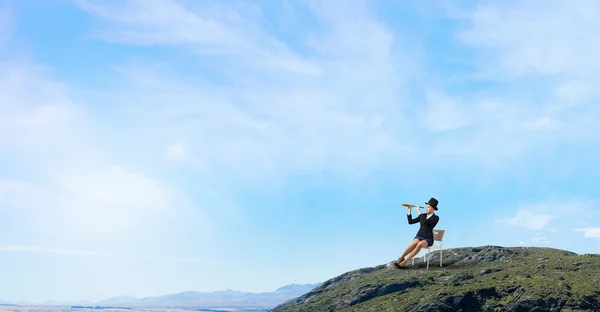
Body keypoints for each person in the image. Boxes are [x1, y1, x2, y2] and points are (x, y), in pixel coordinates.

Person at [395, 197, 440, 268]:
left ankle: (405, 261)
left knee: (419, 244)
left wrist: (419, 212)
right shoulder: (423, 215)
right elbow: (410, 222)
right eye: (426, 207)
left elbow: (425, 222)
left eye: (428, 207)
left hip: (428, 238)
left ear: (433, 208)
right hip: (419, 235)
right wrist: (409, 210)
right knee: (414, 243)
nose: (426, 208)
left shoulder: (436, 218)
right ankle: (401, 258)